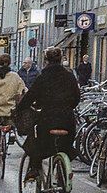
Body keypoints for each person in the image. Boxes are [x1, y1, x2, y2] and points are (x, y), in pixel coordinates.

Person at [18, 47, 80, 185]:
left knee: (35, 142)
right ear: (61, 59)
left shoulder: (42, 77)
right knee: (65, 146)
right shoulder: (69, 76)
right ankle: (63, 183)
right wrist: (67, 107)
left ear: (46, 60)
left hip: (48, 119)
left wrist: (20, 108)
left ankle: (34, 169)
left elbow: (30, 96)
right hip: (67, 120)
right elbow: (77, 97)